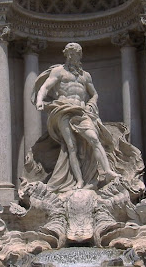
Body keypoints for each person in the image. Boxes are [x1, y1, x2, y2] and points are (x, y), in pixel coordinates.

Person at [32, 43, 124, 192]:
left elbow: (94, 94)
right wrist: (39, 100)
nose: (72, 57)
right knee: (71, 146)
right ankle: (79, 180)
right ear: (66, 55)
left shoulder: (85, 75)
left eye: (75, 54)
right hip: (64, 110)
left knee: (94, 139)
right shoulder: (58, 71)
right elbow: (45, 87)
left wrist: (91, 104)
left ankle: (107, 171)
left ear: (79, 56)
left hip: (81, 112)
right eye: (70, 54)